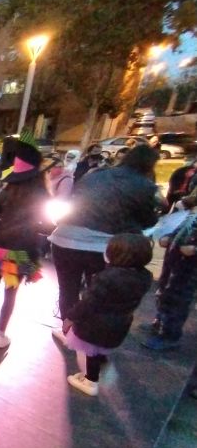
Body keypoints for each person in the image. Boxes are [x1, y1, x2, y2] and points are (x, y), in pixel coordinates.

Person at [49, 145, 159, 339]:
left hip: (64, 238)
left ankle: (68, 331)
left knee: (68, 289)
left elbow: (76, 199)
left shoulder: (95, 174)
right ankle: (88, 340)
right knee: (98, 294)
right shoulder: (144, 185)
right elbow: (148, 220)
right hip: (103, 247)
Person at [63, 234, 153, 396]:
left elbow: (89, 303)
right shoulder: (145, 276)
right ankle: (99, 365)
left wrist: (70, 317)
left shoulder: (107, 277)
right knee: (100, 348)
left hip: (95, 325)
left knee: (90, 351)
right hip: (121, 322)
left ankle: (91, 381)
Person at [0, 135, 50, 348]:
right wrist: (36, 226)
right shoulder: (40, 194)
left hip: (0, 248)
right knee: (10, 292)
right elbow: (49, 225)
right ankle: (0, 333)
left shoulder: (7, 192)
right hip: (22, 251)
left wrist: (0, 229)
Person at [143, 203, 197, 351]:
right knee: (165, 293)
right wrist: (169, 237)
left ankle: (170, 336)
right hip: (175, 261)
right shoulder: (192, 212)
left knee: (178, 300)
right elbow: (181, 228)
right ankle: (160, 324)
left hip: (190, 269)